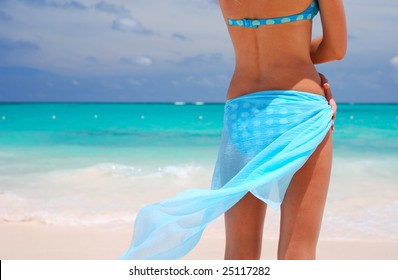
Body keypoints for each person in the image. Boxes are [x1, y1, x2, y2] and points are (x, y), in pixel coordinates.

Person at [120, 0, 346, 260]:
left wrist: (275, 48)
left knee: (240, 252)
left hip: (242, 110)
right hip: (299, 109)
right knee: (298, 250)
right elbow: (336, 48)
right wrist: (289, 52)